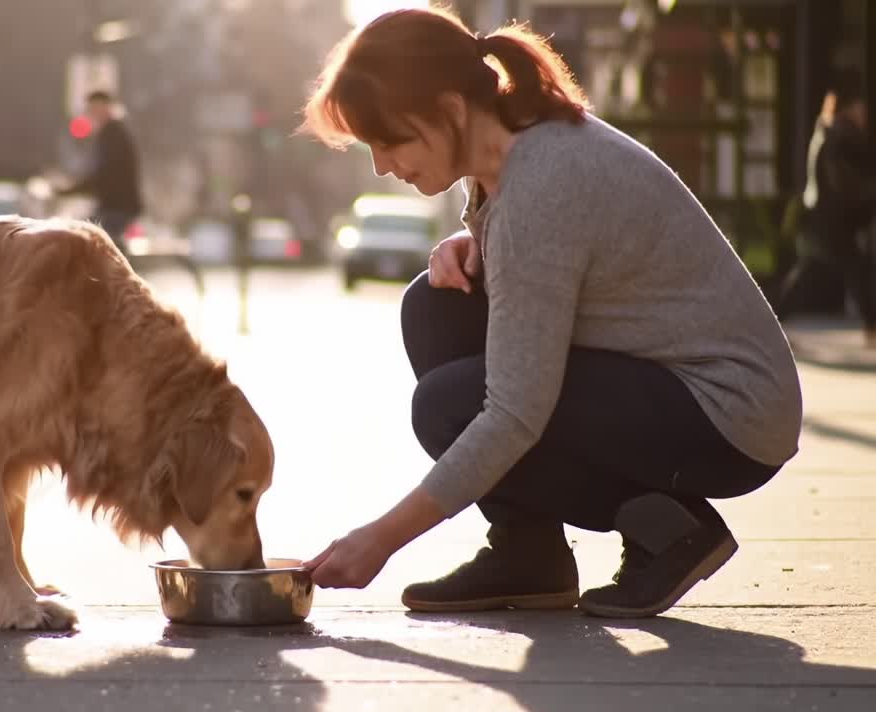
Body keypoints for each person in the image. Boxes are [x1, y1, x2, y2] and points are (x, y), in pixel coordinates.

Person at [298, 8, 803, 619]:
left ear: (450, 110)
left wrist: (381, 538)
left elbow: (514, 414)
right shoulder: (507, 149)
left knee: (449, 405)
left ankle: (673, 530)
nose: (381, 164)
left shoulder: (540, 181)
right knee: (435, 308)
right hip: (668, 384)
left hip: (728, 413)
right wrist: (475, 244)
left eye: (390, 140)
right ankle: (526, 554)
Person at [775, 69, 876, 345]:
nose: (865, 113)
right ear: (850, 109)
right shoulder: (838, 136)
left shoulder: (828, 132)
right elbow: (842, 180)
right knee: (855, 269)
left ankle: (771, 321)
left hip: (822, 216)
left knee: (810, 272)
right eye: (861, 107)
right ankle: (872, 328)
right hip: (830, 219)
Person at [57, 90, 145, 254]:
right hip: (113, 205)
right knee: (92, 244)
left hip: (117, 207)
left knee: (88, 245)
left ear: (107, 108)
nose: (91, 114)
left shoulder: (113, 134)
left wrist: (69, 191)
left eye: (95, 109)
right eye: (90, 110)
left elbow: (103, 174)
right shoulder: (109, 133)